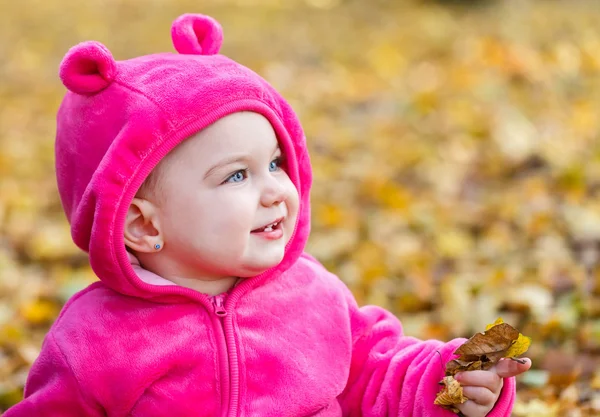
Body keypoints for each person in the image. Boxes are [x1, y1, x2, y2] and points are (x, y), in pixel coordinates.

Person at [4, 13, 530, 417]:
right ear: (143, 224)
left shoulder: (313, 296)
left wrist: (454, 380)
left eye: (275, 163)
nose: (276, 190)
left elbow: (375, 372)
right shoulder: (96, 341)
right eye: (237, 175)